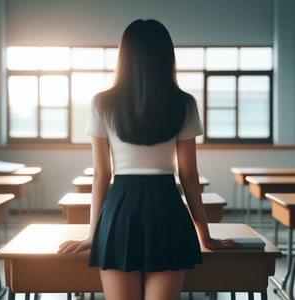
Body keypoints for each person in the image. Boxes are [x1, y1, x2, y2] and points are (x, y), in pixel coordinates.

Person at [59, 19, 238, 300]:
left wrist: (93, 234)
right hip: (167, 208)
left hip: (119, 209)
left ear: (123, 56)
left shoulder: (101, 103)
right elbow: (189, 176)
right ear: (167, 57)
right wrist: (206, 236)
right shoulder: (184, 103)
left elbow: (101, 175)